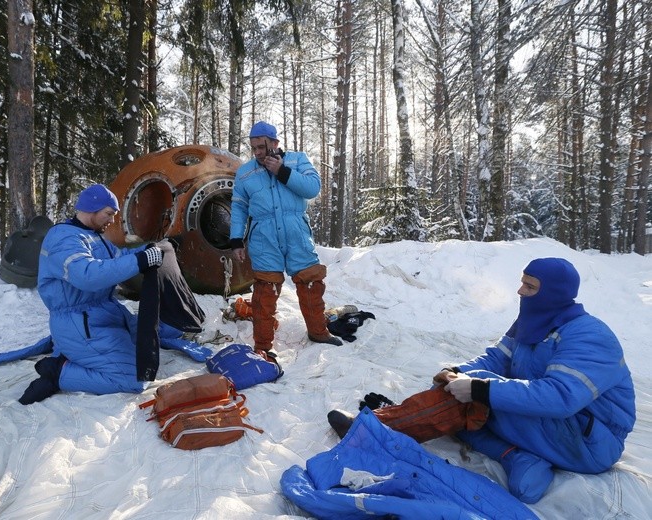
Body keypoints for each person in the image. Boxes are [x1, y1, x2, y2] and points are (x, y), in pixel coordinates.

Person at [329, 257, 636, 504]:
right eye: (522, 283)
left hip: (589, 441)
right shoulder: (534, 322)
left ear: (551, 293)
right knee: (466, 403)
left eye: (529, 287)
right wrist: (455, 371)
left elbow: (560, 398)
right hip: (551, 428)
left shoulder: (590, 335)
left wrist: (477, 387)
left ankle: (377, 429)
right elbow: (494, 359)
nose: (520, 292)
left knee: (472, 402)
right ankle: (517, 456)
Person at [19, 184, 164, 404]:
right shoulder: (63, 239)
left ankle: (75, 356)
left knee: (149, 345)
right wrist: (142, 261)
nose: (112, 220)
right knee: (134, 379)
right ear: (92, 208)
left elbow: (118, 257)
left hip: (103, 314)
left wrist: (147, 250)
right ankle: (59, 372)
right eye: (108, 214)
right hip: (80, 324)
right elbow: (87, 275)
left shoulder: (93, 237)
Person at [230, 121, 342, 363]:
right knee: (264, 293)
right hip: (263, 237)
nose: (257, 152)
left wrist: (282, 171)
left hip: (296, 232)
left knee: (311, 282)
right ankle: (262, 346)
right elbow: (238, 207)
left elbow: (312, 188)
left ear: (275, 143)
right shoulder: (245, 172)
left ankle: (318, 332)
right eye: (253, 148)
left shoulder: (298, 160)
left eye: (261, 146)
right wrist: (236, 240)